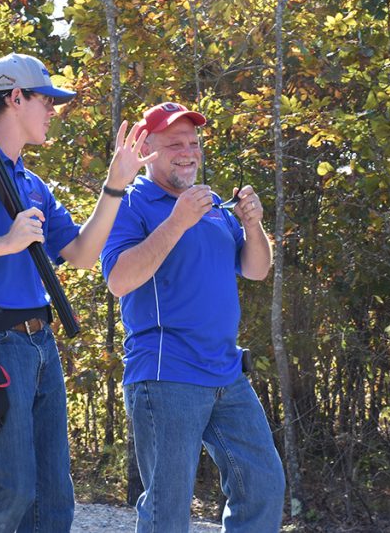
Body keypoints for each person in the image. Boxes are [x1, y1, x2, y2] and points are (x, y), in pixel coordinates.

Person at [0, 52, 154, 532]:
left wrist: (115, 186)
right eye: (46, 100)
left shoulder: (32, 183)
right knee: (12, 490)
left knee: (54, 500)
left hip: (40, 343)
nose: (53, 110)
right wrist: (5, 242)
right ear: (15, 98)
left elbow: (80, 253)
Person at [100, 102, 286, 532]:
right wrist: (178, 221)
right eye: (174, 144)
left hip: (226, 375)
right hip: (167, 376)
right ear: (145, 150)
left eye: (194, 142)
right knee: (167, 510)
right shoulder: (129, 203)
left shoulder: (214, 205)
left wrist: (253, 224)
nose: (188, 151)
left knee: (262, 486)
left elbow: (257, 269)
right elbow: (120, 279)